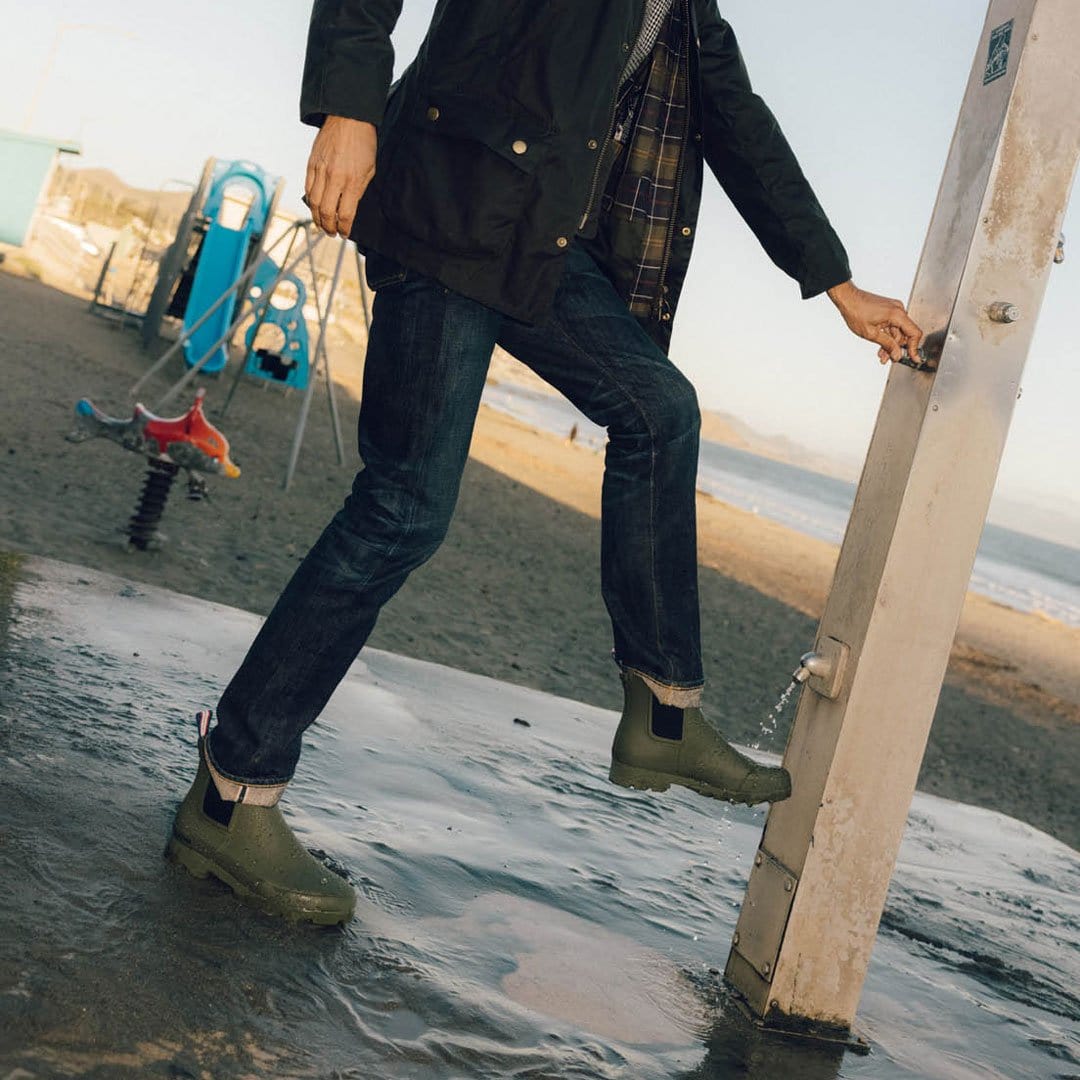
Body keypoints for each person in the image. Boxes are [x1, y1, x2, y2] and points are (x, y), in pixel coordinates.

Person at [166, 0, 924, 925]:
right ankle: (230, 792)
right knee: (404, 508)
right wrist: (348, 111)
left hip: (535, 243)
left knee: (660, 410)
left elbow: (736, 120)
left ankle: (663, 711)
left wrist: (836, 283)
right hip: (443, 199)